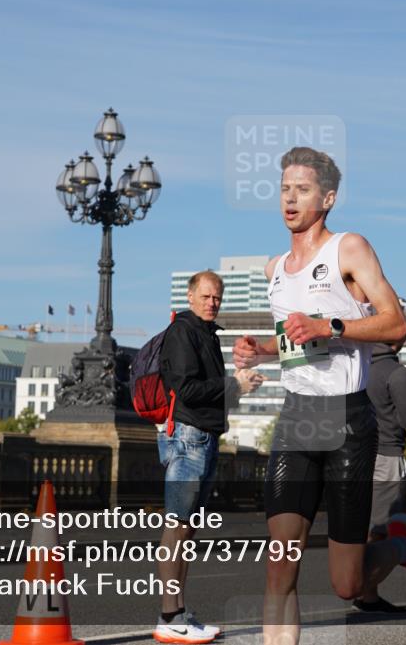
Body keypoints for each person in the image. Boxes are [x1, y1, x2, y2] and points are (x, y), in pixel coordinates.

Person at [233, 147, 406, 645]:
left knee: (346, 585)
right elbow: (298, 345)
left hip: (348, 422)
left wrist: (329, 324)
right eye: (284, 189)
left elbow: (395, 325)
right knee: (280, 566)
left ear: (327, 198)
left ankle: (401, 543)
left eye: (302, 190)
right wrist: (263, 348)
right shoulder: (274, 269)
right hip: (297, 420)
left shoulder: (349, 249)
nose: (290, 198)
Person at [154, 271, 263, 643]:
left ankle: (178, 612)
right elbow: (185, 389)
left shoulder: (207, 334)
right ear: (189, 296)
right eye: (205, 296)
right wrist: (233, 384)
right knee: (177, 527)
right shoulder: (183, 332)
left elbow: (211, 393)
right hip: (187, 439)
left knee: (186, 530)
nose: (211, 303)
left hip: (204, 436)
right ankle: (169, 615)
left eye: (216, 297)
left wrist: (240, 386)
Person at [354, 341, 406, 613]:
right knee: (380, 530)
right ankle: (363, 590)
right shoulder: (397, 372)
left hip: (358, 456)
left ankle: (368, 595)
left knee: (363, 528)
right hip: (387, 456)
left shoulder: (359, 367)